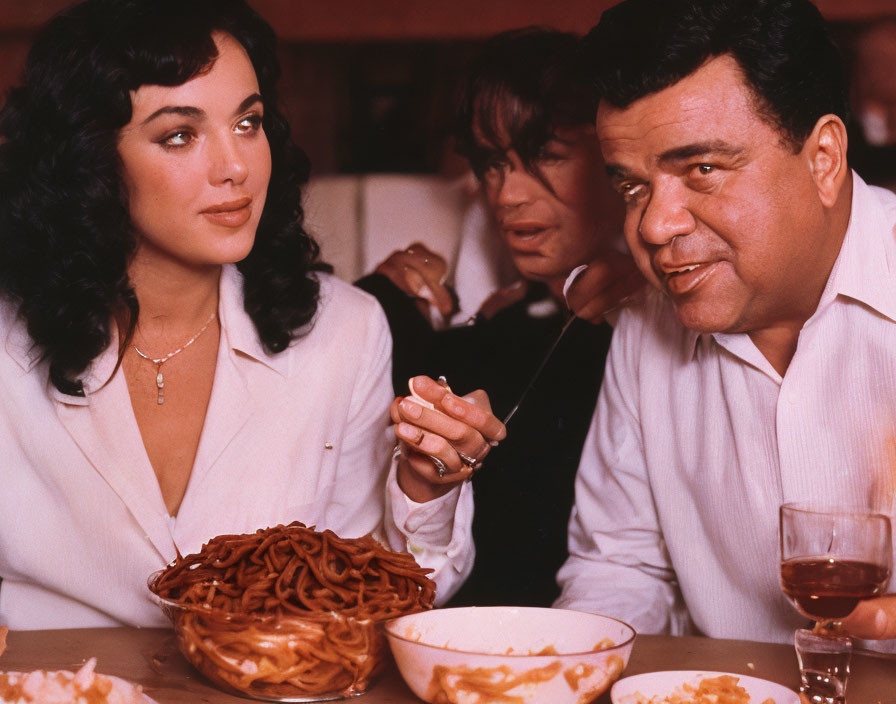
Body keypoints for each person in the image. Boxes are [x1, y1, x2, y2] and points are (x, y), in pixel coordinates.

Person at [0, 0, 503, 630]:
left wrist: (425, 491)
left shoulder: (345, 331)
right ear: (89, 158)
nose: (236, 167)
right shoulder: (5, 342)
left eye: (248, 123)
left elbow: (379, 595)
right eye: (179, 134)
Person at [554, 0, 896, 645]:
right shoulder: (648, 325)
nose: (654, 227)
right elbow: (622, 567)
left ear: (823, 158)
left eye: (702, 170)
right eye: (632, 186)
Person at [358, 28, 640, 607]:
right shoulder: (471, 315)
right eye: (491, 164)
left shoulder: (658, 320)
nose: (507, 194)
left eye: (546, 156)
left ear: (617, 158)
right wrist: (385, 295)